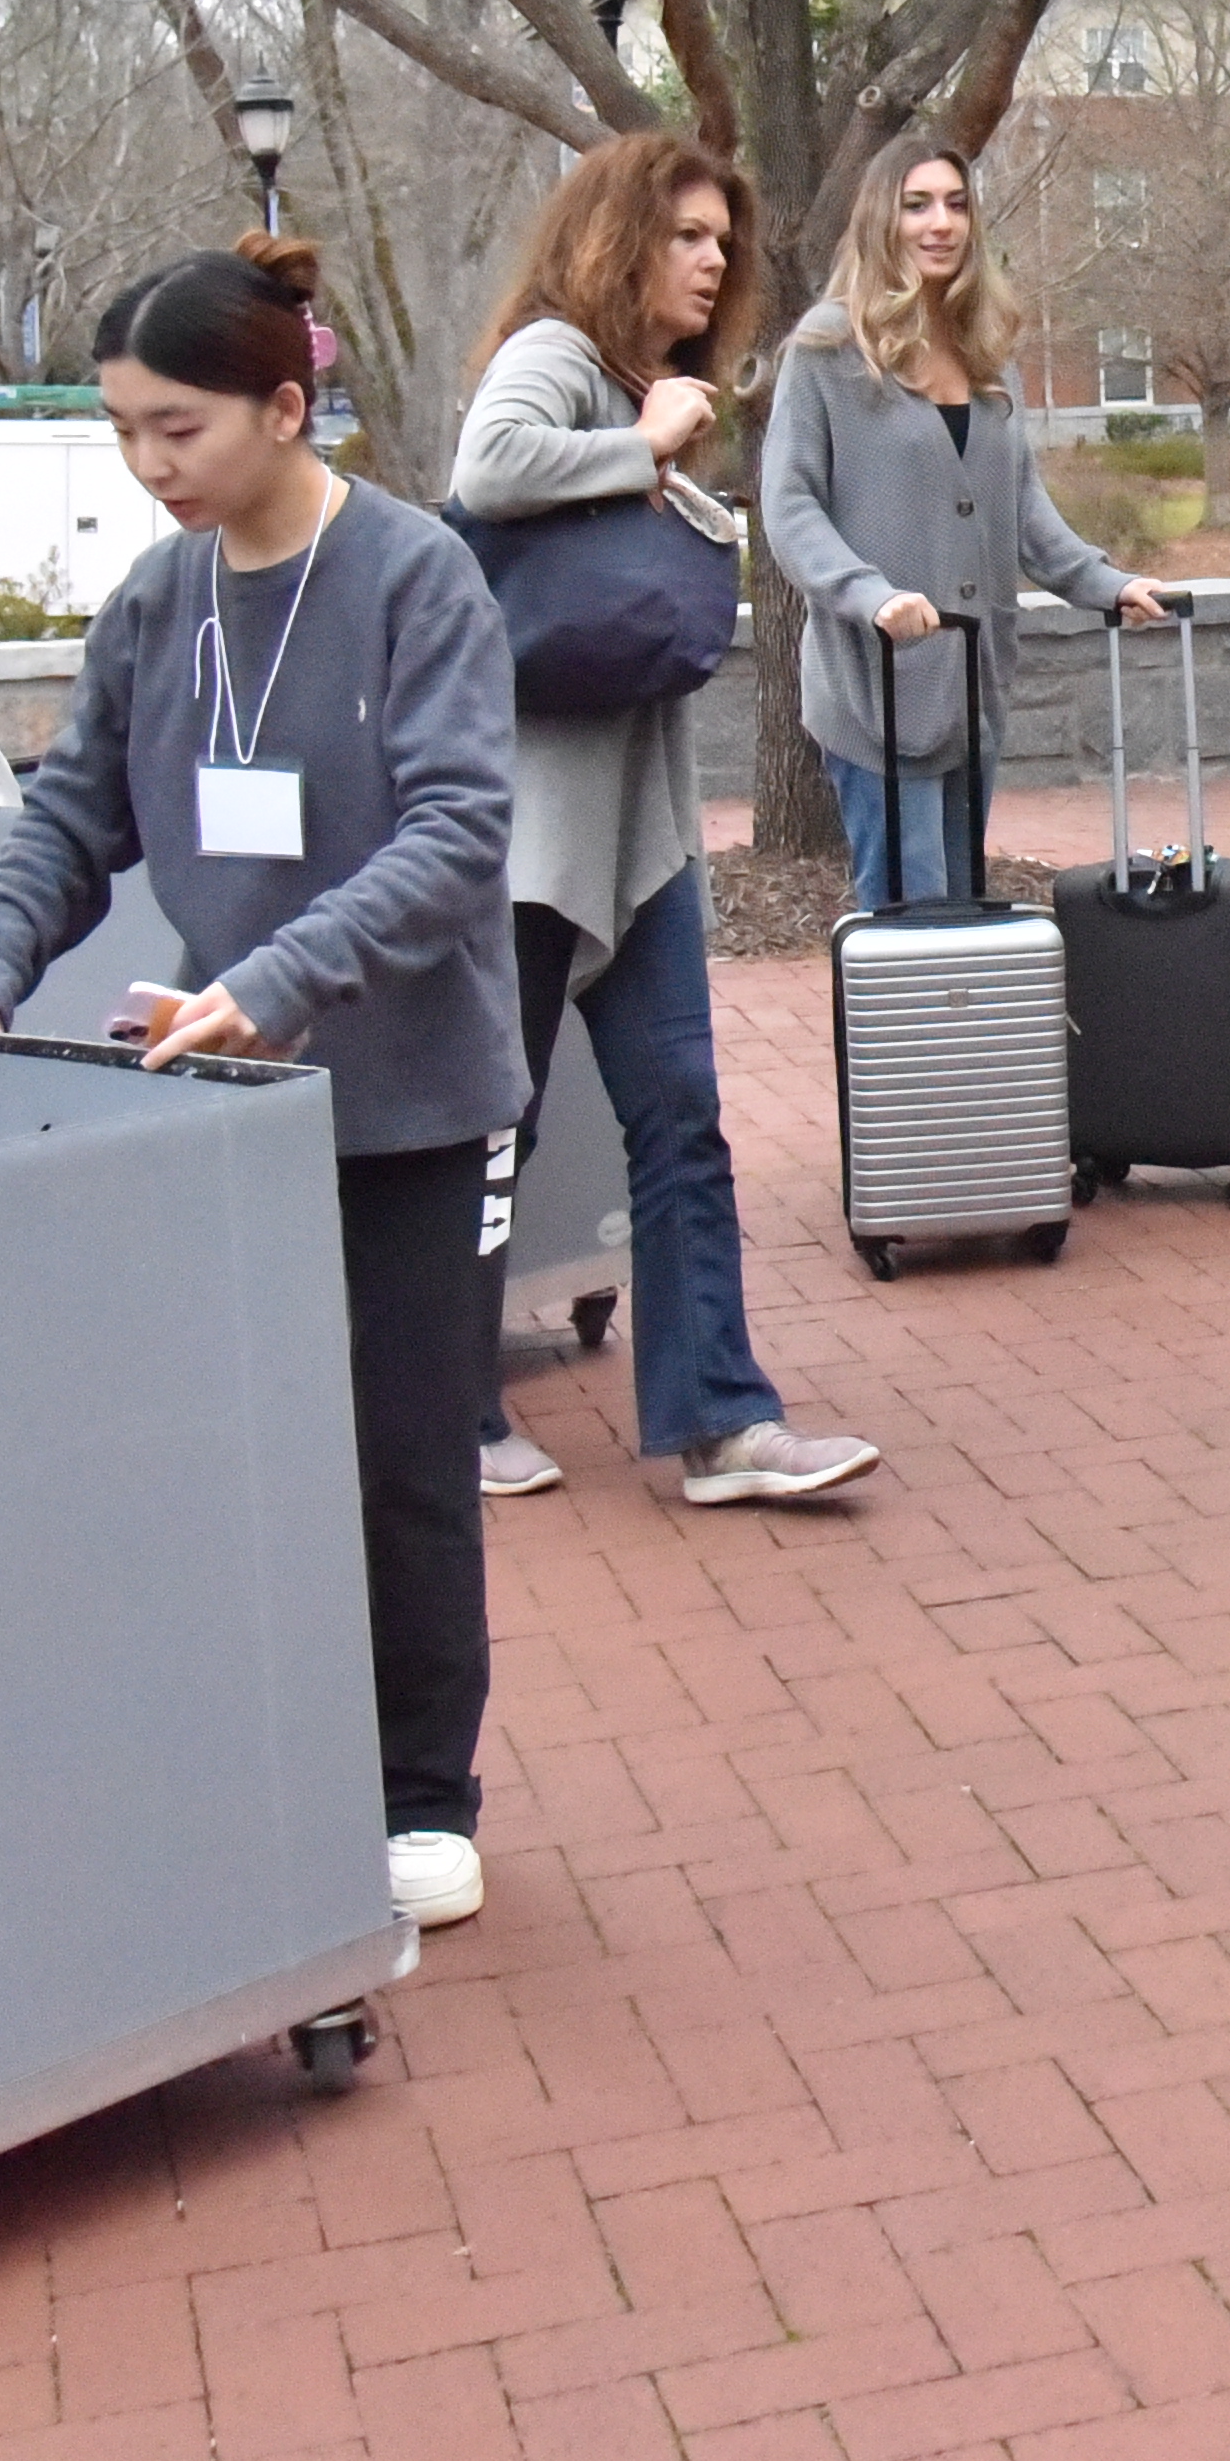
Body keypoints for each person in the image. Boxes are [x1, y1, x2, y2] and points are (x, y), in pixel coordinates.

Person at [0, 235, 525, 1935]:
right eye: (123, 431)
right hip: (214, 1107)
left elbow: (458, 833)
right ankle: (267, 1753)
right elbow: (68, 816)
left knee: (405, 1453)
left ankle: (422, 1791)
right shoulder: (158, 602)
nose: (146, 465)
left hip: (402, 1104)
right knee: (232, 1447)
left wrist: (271, 984)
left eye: (175, 428)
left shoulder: (415, 579)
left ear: (284, 402)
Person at [450, 133, 883, 1511]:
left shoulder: (650, 386)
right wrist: (636, 445)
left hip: (639, 832)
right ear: (618, 237)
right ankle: (448, 1409)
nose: (713, 260)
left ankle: (721, 1424)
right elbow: (487, 465)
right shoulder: (558, 359)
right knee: (484, 1126)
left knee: (682, 1119)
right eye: (686, 235)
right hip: (526, 831)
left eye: (720, 240)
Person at [760, 140, 1169, 912]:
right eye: (918, 205)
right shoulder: (827, 349)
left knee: (960, 918)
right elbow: (789, 506)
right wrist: (867, 594)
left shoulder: (986, 356)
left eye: (955, 204)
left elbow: (1023, 511)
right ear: (882, 219)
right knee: (908, 926)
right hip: (877, 686)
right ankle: (898, 1040)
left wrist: (1108, 584)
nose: (940, 223)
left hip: (971, 686)